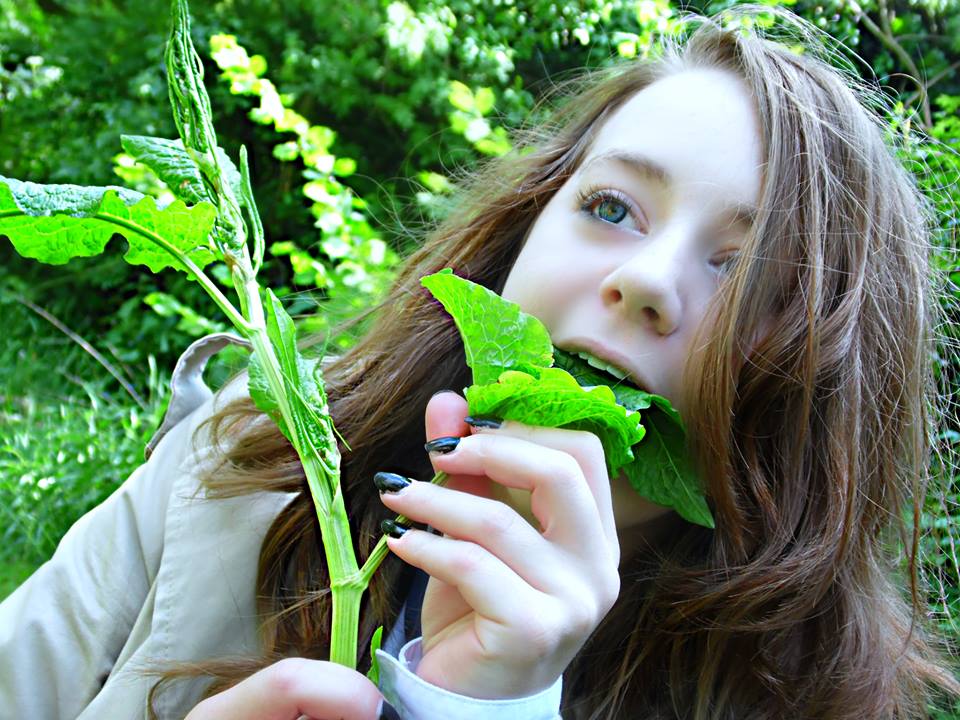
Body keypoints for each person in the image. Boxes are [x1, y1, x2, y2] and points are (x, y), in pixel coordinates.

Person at [2, 6, 958, 719]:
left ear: (814, 403)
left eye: (749, 275)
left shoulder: (803, 698)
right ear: (516, 242)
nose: (646, 279)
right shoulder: (242, 463)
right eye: (613, 208)